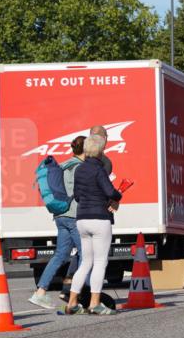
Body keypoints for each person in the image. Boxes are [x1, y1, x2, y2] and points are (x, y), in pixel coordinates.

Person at [62, 135, 123, 315]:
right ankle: (94, 303)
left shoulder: (79, 169)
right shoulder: (99, 169)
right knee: (99, 262)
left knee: (85, 262)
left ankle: (72, 302)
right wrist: (117, 196)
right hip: (99, 219)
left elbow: (78, 196)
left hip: (81, 219)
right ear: (101, 151)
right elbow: (109, 191)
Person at [29, 136, 86, 309]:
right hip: (74, 216)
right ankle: (74, 296)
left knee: (60, 255)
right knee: (86, 255)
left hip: (60, 215)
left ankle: (40, 293)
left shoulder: (63, 165)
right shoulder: (81, 168)